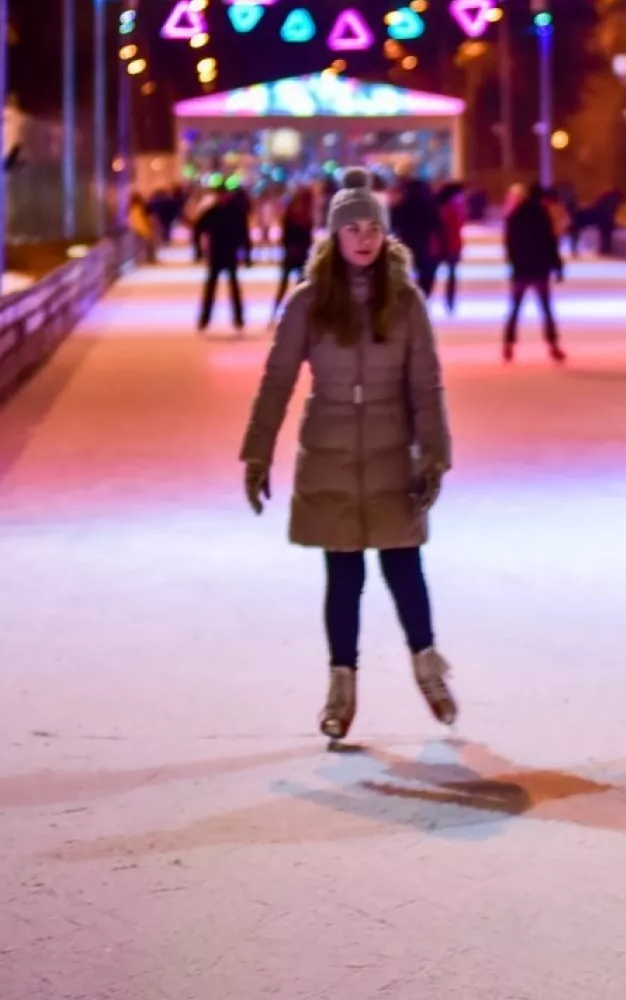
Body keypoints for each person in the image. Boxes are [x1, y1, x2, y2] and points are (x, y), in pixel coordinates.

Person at [239, 167, 458, 743]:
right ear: (333, 236)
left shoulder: (406, 301)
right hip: (330, 451)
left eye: (372, 228)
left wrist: (433, 454)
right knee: (343, 574)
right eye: (351, 228)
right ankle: (342, 684)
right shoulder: (309, 303)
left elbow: (426, 386)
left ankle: (428, 666)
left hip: (392, 451)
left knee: (404, 566)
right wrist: (256, 453)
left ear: (385, 234)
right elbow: (277, 381)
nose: (363, 238)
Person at [502, 184, 566, 364]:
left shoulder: (516, 215)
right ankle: (553, 345)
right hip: (539, 269)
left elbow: (510, 242)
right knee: (546, 308)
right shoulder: (542, 215)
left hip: (521, 268)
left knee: (515, 308)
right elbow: (550, 242)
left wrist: (513, 261)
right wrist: (557, 266)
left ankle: (508, 344)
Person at [194, 185, 252, 334]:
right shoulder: (215, 212)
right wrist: (198, 250)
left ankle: (237, 319)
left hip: (228, 253)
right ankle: (206, 319)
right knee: (214, 287)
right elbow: (198, 228)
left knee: (231, 287)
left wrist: (247, 254)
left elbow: (244, 233)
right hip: (218, 253)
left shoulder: (231, 212)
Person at [390, 177, 447, 300]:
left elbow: (394, 223)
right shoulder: (430, 204)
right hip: (424, 244)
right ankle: (422, 298)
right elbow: (438, 226)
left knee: (404, 272)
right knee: (426, 274)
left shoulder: (403, 203)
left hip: (406, 242)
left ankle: (407, 299)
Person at [271, 185, 318, 321]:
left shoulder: (299, 217)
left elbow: (303, 239)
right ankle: (277, 313)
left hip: (298, 256)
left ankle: (298, 315)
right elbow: (288, 238)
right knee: (289, 286)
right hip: (295, 255)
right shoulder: (296, 217)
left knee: (299, 287)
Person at [435, 182, 467, 313]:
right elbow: (458, 224)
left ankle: (449, 301)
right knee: (451, 275)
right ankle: (449, 301)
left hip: (447, 245)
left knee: (448, 274)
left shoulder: (443, 207)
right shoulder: (452, 208)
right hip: (450, 245)